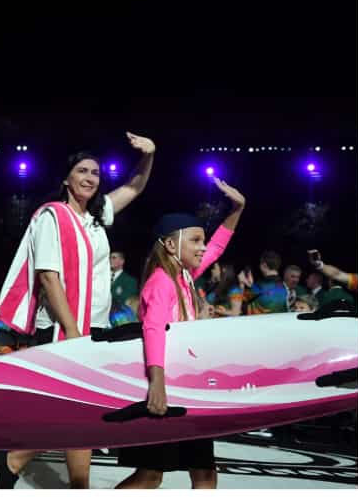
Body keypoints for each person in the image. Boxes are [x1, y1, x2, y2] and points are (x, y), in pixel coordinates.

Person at [0, 133, 156, 489]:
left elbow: (135, 187)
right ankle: (30, 465)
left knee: (78, 412)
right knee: (76, 410)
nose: (90, 178)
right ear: (66, 178)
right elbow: (49, 279)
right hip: (62, 329)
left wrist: (149, 155)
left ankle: (20, 461)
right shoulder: (52, 216)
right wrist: (74, 333)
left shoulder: (96, 218)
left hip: (92, 329)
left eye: (96, 173)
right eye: (82, 171)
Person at [115, 177, 245, 489]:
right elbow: (154, 330)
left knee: (204, 473)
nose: (203, 247)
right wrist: (157, 384)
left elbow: (217, 246)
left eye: (202, 241)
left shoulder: (185, 276)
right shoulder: (161, 281)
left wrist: (238, 208)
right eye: (195, 240)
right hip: (165, 390)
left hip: (185, 389)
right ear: (171, 245)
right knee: (149, 476)